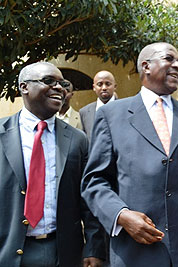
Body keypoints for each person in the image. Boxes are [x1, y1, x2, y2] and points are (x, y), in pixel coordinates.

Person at [81, 42, 178, 267]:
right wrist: (122, 216)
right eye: (169, 59)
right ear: (146, 66)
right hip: (134, 251)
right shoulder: (112, 116)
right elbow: (94, 182)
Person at [0, 62, 105, 266]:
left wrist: (94, 246)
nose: (59, 88)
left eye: (62, 83)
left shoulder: (77, 139)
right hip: (8, 251)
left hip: (63, 253)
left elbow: (89, 199)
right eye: (49, 81)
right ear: (24, 87)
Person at [79, 70, 117, 141]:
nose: (104, 88)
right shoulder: (84, 112)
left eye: (108, 84)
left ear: (115, 86)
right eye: (99, 84)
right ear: (94, 87)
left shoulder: (126, 109)